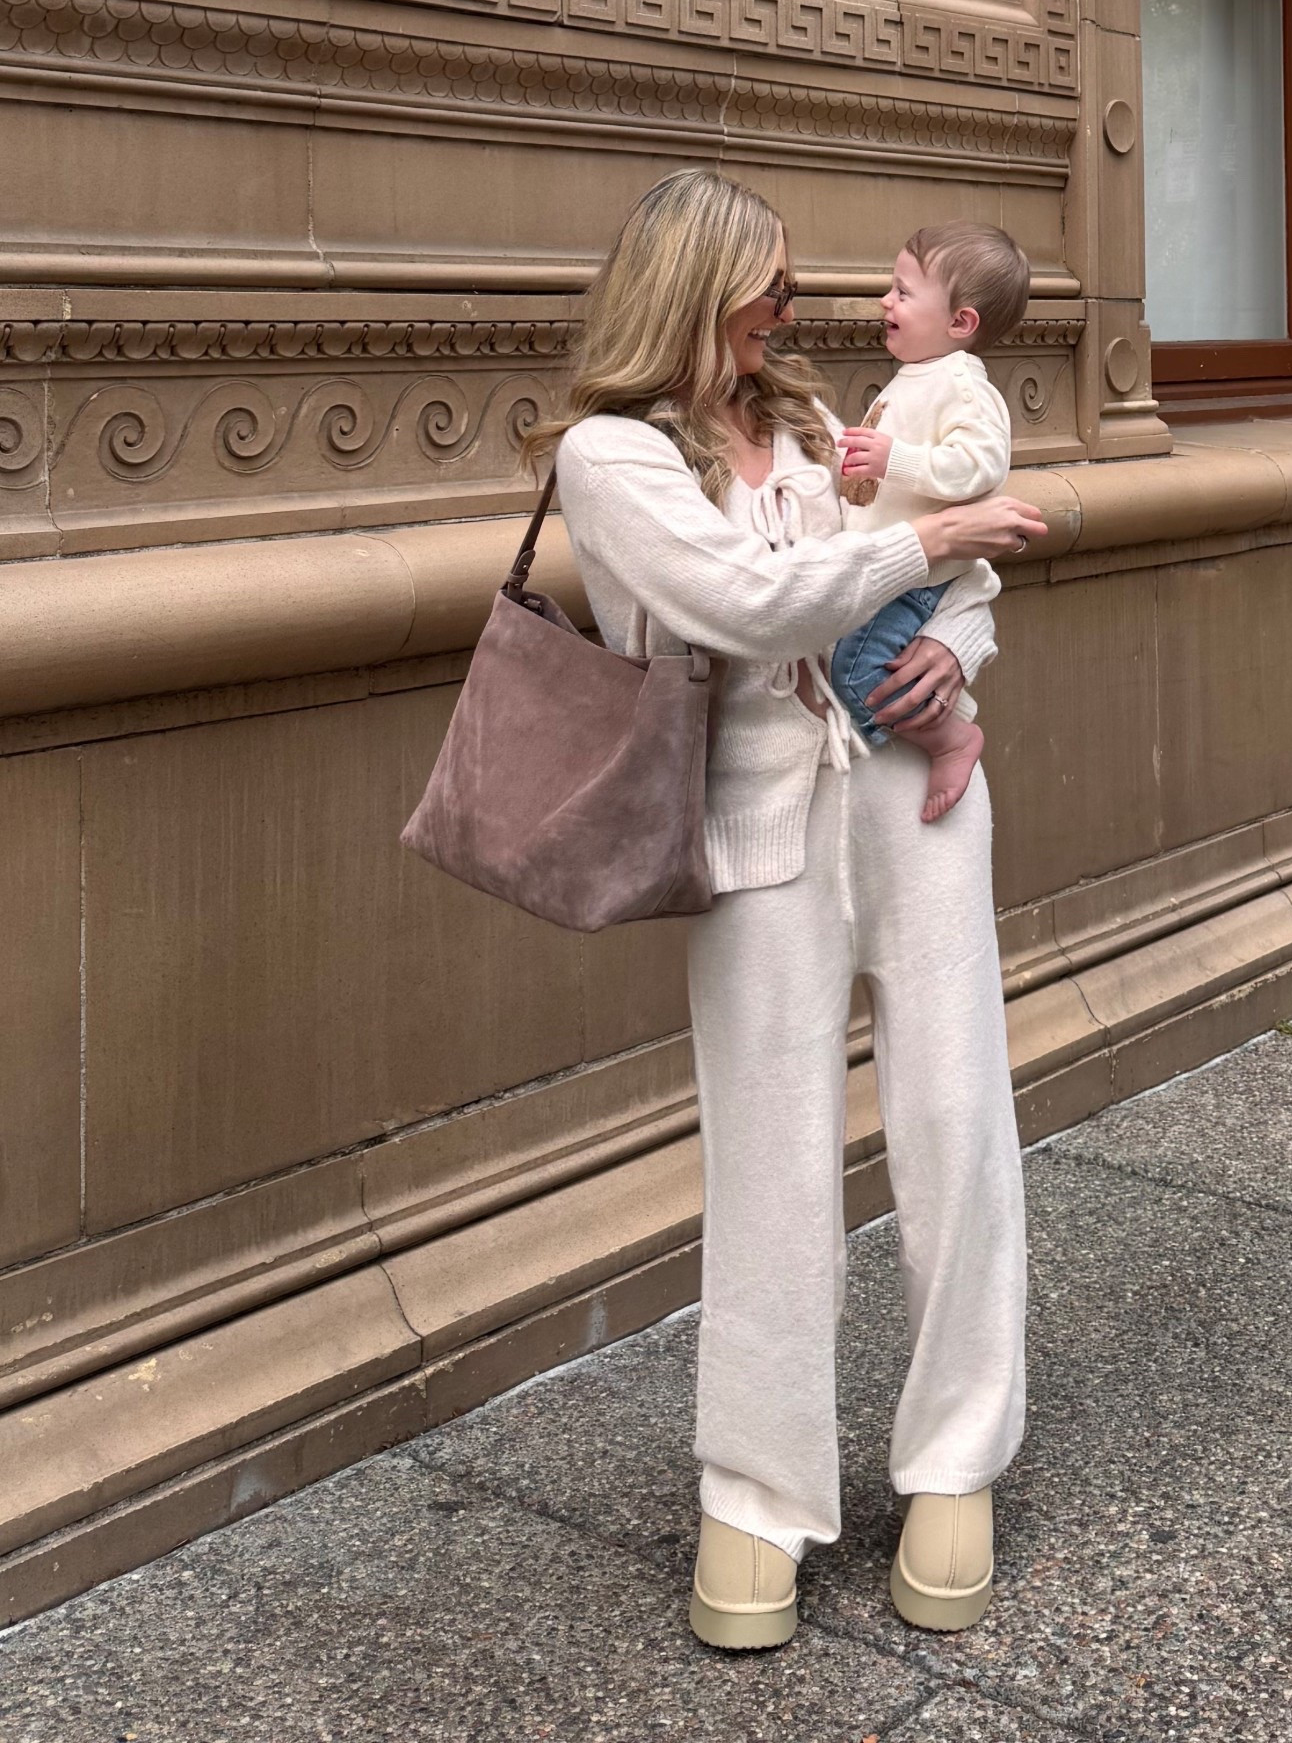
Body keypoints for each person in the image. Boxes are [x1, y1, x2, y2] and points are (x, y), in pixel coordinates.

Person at [521, 168, 1046, 1649]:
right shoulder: (610, 458)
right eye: (766, 283)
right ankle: (757, 1489)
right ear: (692, 288)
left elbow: (947, 576)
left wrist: (961, 648)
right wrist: (938, 548)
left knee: (955, 1116)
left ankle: (958, 1459)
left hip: (916, 795)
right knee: (771, 1152)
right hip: (752, 823)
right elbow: (750, 607)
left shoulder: (823, 423)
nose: (793, 306)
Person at [833, 222, 1030, 824]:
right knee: (857, 666)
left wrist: (897, 459)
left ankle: (950, 738)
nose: (885, 303)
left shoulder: (963, 383)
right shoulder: (919, 373)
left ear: (960, 322)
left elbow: (981, 465)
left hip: (917, 575)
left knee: (854, 673)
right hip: (884, 564)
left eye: (903, 292)